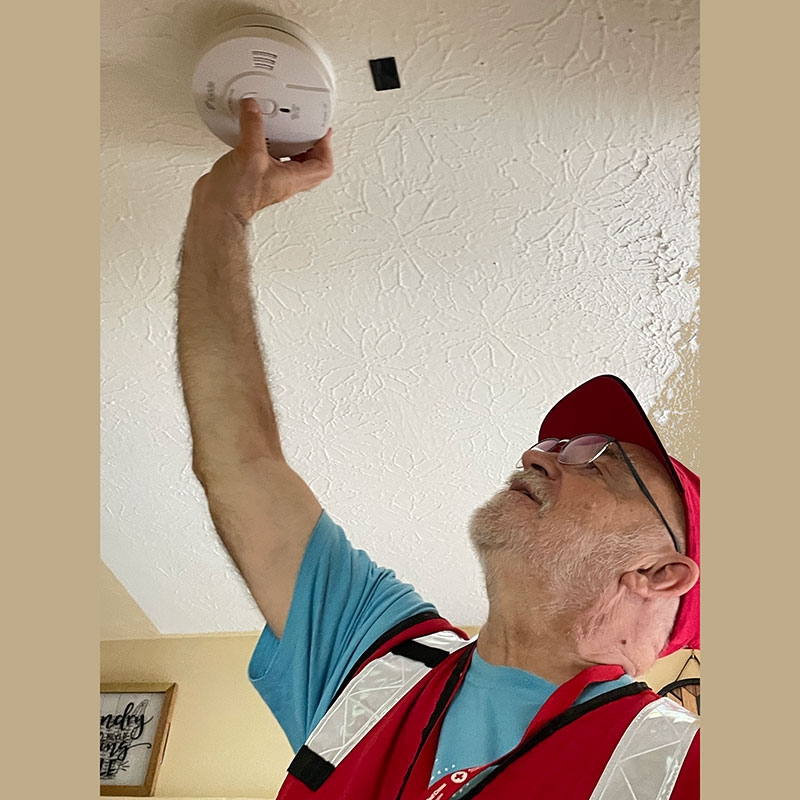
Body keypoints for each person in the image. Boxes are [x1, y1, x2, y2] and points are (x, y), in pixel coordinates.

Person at [177, 98, 700, 799]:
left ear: (661, 574)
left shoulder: (681, 767)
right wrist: (221, 211)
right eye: (553, 442)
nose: (538, 456)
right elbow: (241, 461)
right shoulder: (380, 654)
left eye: (598, 458)